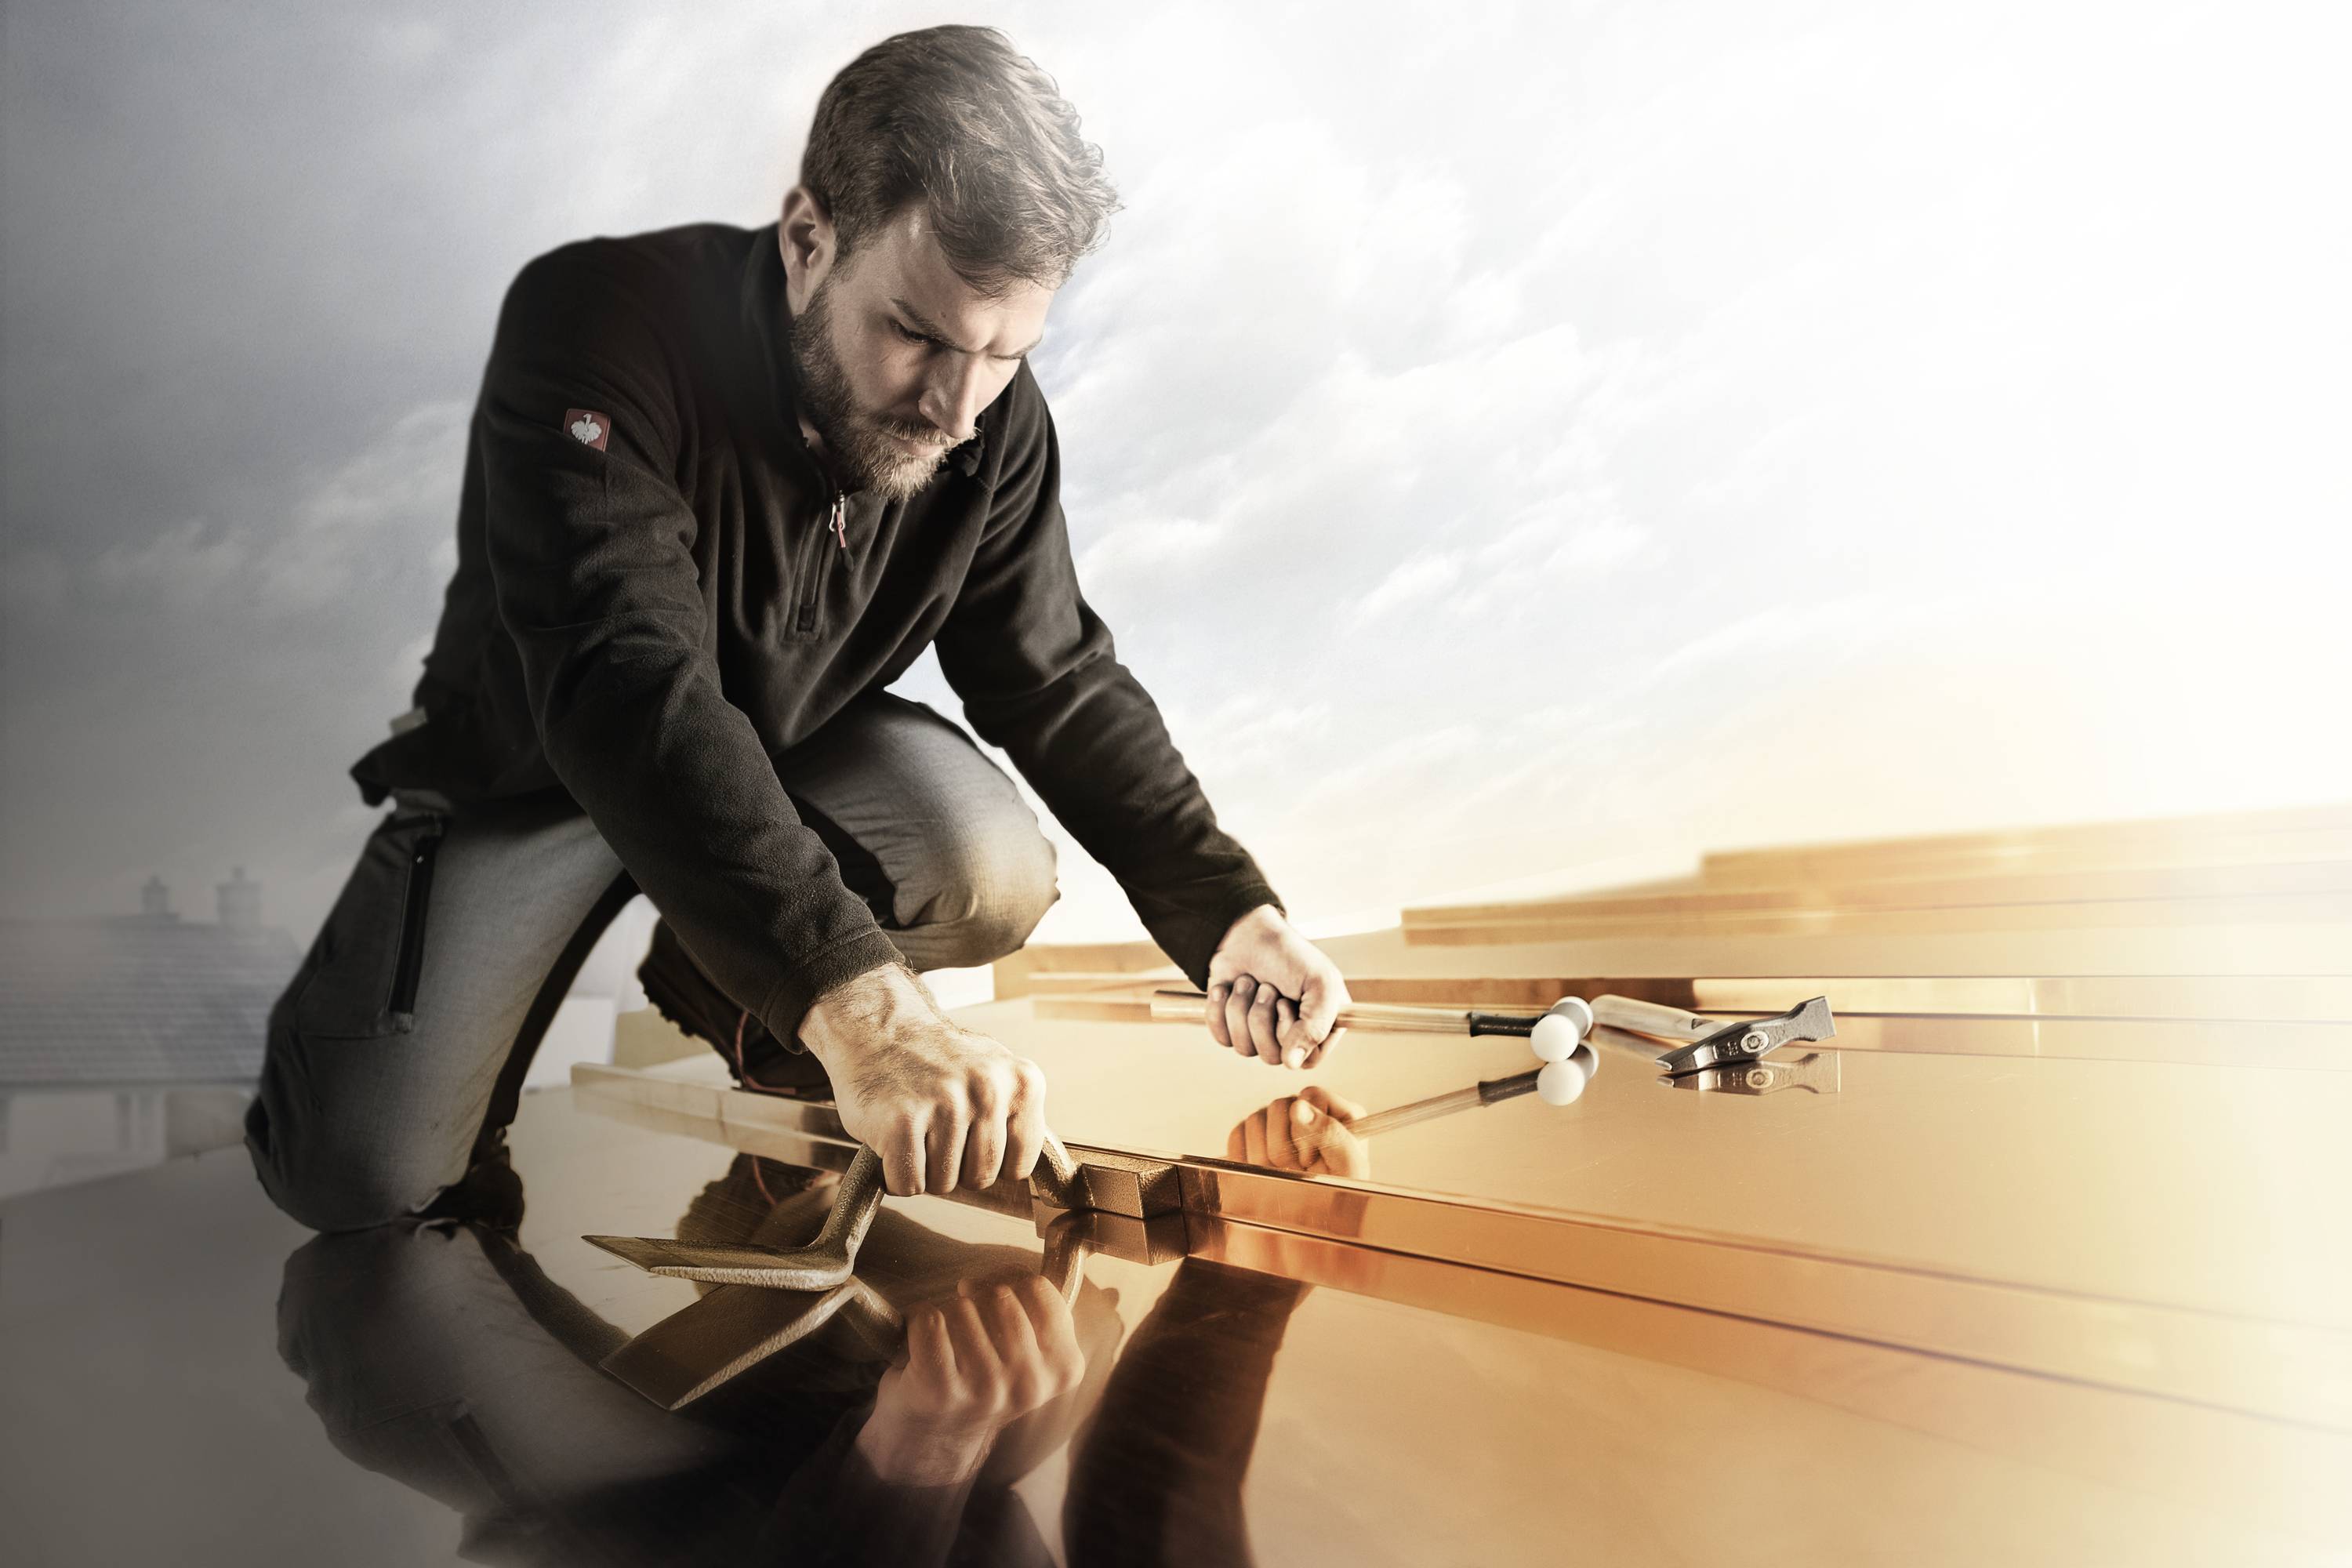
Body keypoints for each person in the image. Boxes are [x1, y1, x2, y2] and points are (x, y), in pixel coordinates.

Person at [245, 24, 1351, 1232]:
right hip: (545, 769)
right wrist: (870, 1013)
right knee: (359, 1176)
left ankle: (720, 972)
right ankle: (754, 963)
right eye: (917, 334)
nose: (953, 405)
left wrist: (1227, 909)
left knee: (987, 862)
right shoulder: (596, 319)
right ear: (808, 239)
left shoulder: (990, 420)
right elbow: (628, 681)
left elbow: (1056, 678)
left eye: (1004, 355)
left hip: (782, 755)